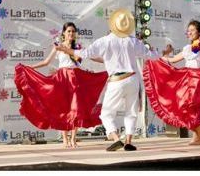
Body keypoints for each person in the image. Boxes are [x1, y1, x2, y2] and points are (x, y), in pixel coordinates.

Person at [56, 8, 165, 151]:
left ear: (113, 25)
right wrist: (164, 52)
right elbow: (150, 55)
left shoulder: (105, 41)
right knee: (131, 112)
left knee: (106, 113)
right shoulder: (133, 41)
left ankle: (115, 138)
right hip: (132, 79)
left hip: (117, 81)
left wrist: (67, 50)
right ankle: (128, 141)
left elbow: (85, 53)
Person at [15, 22, 108, 148]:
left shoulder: (78, 47)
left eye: (73, 31)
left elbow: (92, 57)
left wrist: (108, 60)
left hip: (76, 79)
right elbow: (46, 62)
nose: (71, 33)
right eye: (69, 31)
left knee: (77, 108)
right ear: (64, 33)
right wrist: (30, 67)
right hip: (62, 79)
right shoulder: (58, 46)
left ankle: (74, 139)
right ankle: (65, 139)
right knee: (63, 109)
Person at [143, 21, 200, 146]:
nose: (189, 32)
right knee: (185, 108)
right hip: (187, 80)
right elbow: (172, 60)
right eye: (188, 30)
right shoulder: (187, 48)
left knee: (193, 107)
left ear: (199, 32)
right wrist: (157, 58)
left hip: (199, 81)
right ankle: (199, 136)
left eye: (192, 30)